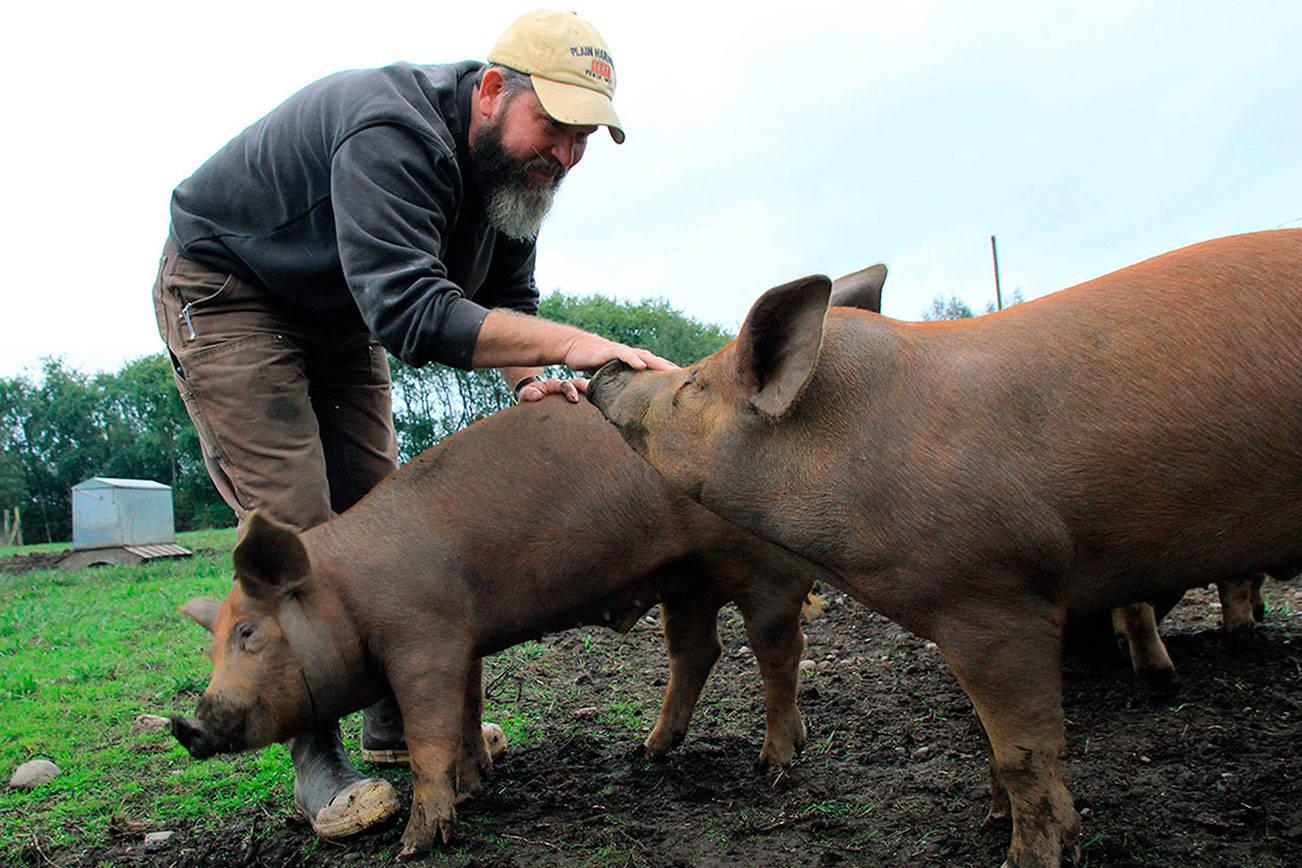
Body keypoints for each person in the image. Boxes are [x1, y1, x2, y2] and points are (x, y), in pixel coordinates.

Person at [152, 9, 672, 840]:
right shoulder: (392, 132)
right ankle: (317, 762)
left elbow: (507, 303)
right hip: (232, 293)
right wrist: (577, 344)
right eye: (556, 126)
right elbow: (409, 310)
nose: (567, 154)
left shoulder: (512, 179)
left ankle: (395, 720)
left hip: (340, 313)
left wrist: (537, 377)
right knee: (296, 530)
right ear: (493, 91)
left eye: (584, 139)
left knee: (382, 514)